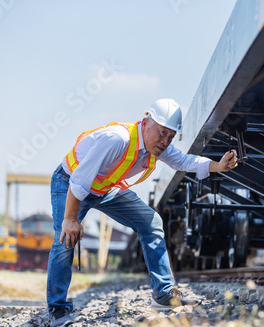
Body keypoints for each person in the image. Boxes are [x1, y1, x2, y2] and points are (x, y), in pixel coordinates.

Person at [47, 98, 238, 327]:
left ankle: (164, 294)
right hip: (69, 183)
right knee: (64, 239)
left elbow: (183, 161)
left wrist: (217, 165)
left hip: (103, 189)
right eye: (162, 133)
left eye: (171, 136)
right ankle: (57, 309)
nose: (165, 141)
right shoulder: (117, 139)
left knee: (151, 222)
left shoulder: (155, 145)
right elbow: (79, 182)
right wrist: (70, 219)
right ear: (146, 122)